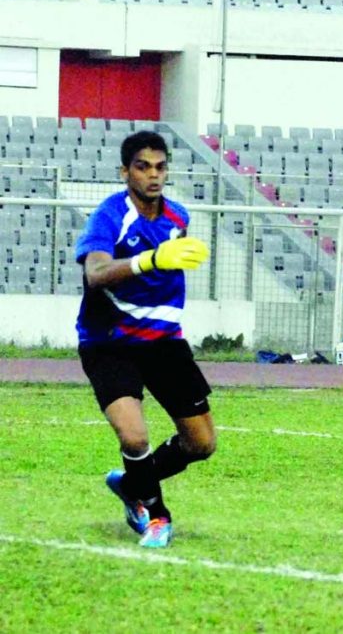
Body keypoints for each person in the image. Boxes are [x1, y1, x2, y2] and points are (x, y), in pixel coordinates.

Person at [76, 131, 216, 549]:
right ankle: (156, 515)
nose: (153, 175)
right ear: (125, 172)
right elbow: (96, 273)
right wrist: (150, 259)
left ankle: (132, 483)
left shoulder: (178, 218)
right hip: (109, 341)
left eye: (159, 167)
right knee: (134, 436)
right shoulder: (109, 215)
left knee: (202, 443)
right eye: (142, 166)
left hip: (164, 342)